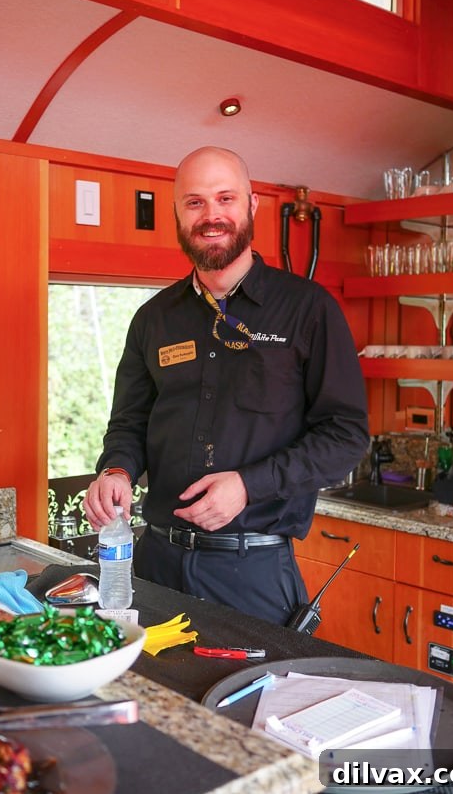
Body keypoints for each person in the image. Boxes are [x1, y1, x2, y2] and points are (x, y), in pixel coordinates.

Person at [83, 146, 369, 625]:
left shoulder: (309, 310)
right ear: (176, 212)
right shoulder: (153, 319)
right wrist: (117, 470)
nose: (211, 216)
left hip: (253, 573)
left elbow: (346, 436)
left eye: (225, 199)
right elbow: (130, 424)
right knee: (152, 699)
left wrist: (248, 486)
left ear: (252, 205)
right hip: (155, 565)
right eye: (194, 203)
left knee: (243, 702)